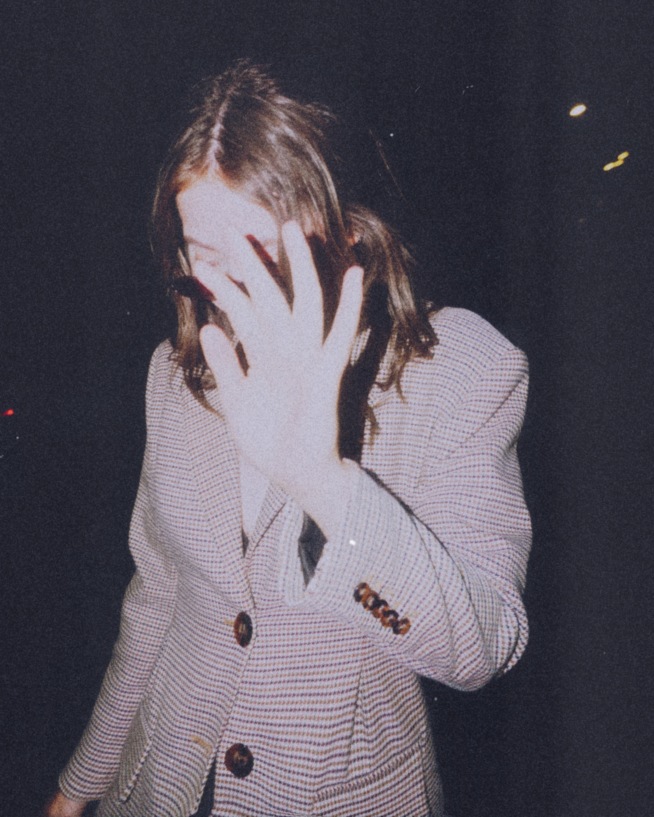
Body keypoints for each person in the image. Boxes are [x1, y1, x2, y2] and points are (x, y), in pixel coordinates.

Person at [44, 61, 531, 817]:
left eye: (259, 250)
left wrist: (323, 482)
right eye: (203, 253)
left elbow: (485, 645)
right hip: (161, 784)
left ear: (346, 230)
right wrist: (79, 785)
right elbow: (156, 598)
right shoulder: (176, 372)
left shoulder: (461, 367)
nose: (226, 288)